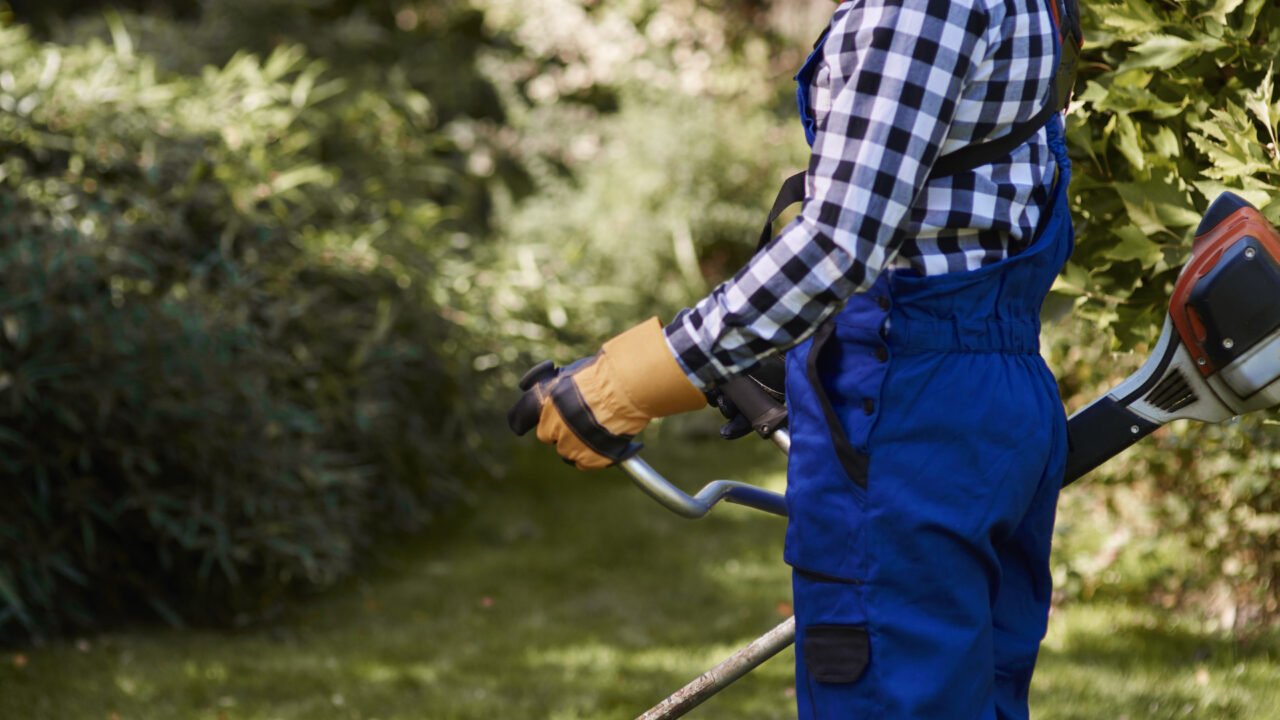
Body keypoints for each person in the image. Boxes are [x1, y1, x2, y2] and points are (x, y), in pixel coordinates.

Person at [514, 0, 1075, 716]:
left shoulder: (913, 8)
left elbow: (840, 241)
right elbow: (974, 201)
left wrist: (637, 378)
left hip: (905, 415)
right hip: (991, 388)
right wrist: (809, 351)